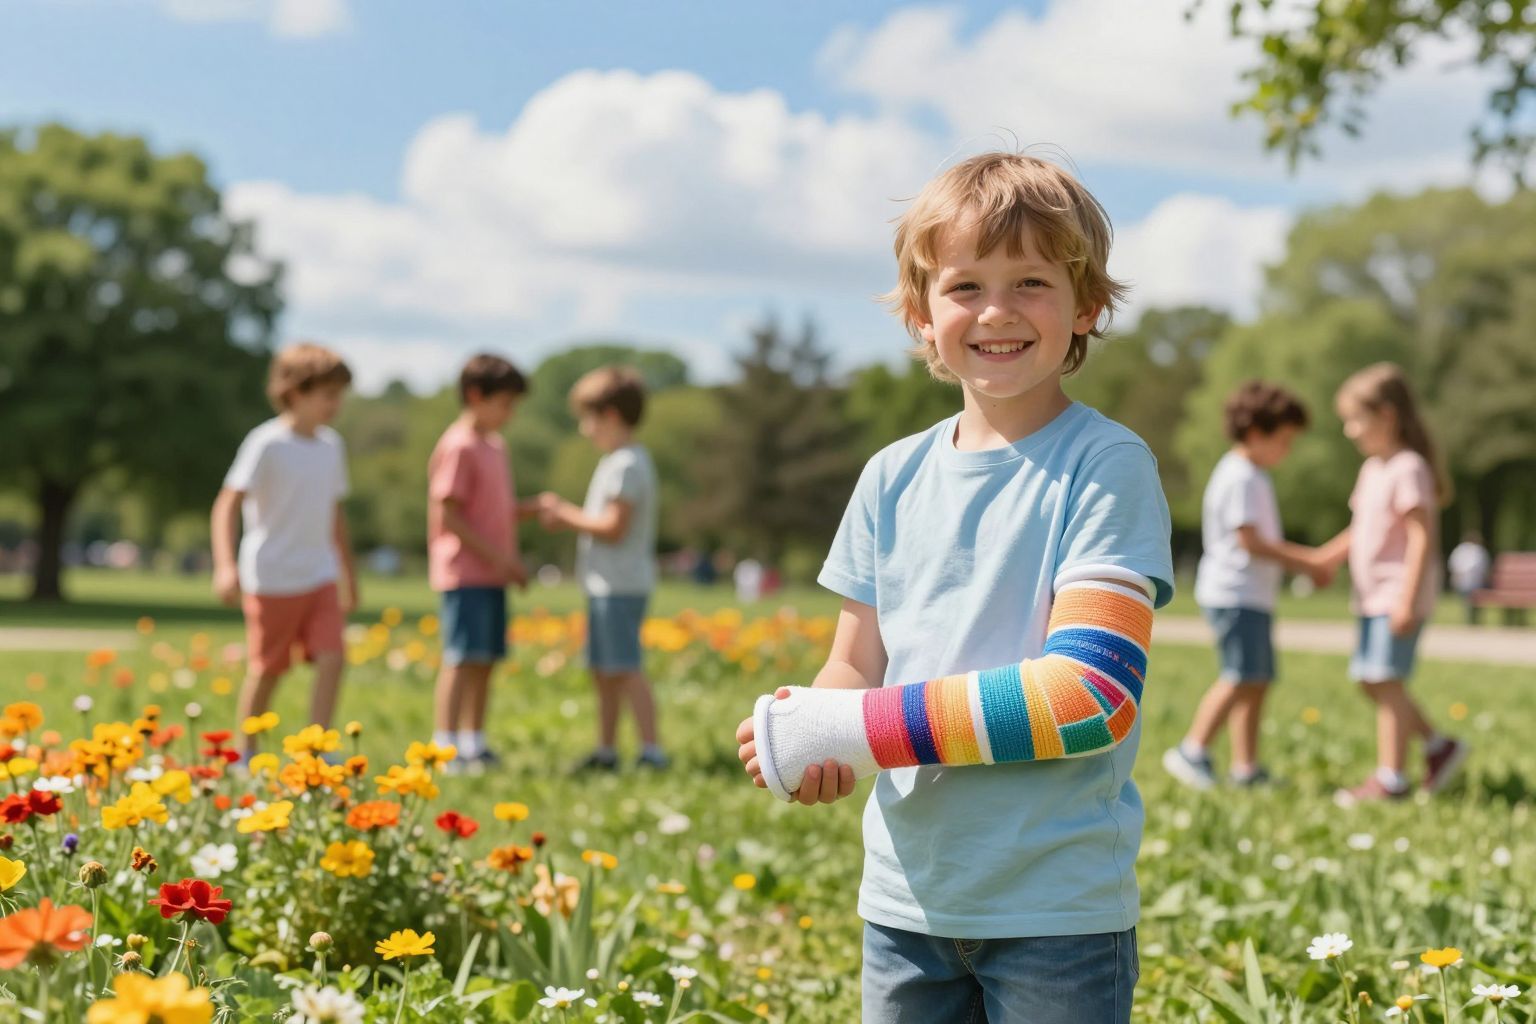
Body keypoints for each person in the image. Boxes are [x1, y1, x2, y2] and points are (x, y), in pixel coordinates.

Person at [735, 152, 1173, 1023]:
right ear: (920, 314)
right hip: (905, 900)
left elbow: (1087, 697)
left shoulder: (1106, 464)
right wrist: (816, 734)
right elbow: (854, 667)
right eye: (965, 285)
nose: (997, 311)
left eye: (1033, 282)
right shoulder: (889, 477)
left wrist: (859, 729)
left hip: (1056, 909)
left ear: (1086, 305)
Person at [1313, 363, 1468, 804]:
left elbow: (1422, 537)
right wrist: (1323, 560)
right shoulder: (1373, 469)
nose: (1348, 430)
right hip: (1371, 597)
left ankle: (1392, 779)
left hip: (1395, 595)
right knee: (1372, 680)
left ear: (1386, 416)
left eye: (1354, 419)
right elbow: (1361, 529)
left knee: (1385, 679)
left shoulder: (1408, 468)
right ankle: (1439, 747)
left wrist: (1407, 599)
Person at [1163, 380, 1327, 790]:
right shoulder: (1240, 476)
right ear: (1256, 433)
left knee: (1256, 680)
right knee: (1239, 675)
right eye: (1284, 440)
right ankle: (1192, 750)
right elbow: (1249, 541)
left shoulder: (1252, 474)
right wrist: (1307, 561)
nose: (1287, 451)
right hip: (1234, 593)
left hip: (1251, 595)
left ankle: (1246, 768)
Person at [211, 343, 358, 758]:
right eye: (327, 394)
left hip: (319, 574)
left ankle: (317, 748)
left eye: (339, 395)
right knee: (269, 668)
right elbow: (227, 504)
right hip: (272, 576)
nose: (336, 404)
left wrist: (350, 575)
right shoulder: (266, 443)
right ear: (294, 392)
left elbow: (335, 515)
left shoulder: (332, 447)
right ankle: (246, 753)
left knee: (333, 658)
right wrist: (225, 566)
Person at [539, 366, 666, 771]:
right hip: (606, 585)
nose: (584, 429)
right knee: (603, 671)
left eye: (588, 419)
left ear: (610, 415)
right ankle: (606, 750)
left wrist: (564, 514)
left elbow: (613, 527)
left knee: (625, 668)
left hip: (619, 586)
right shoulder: (619, 460)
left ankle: (651, 751)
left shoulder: (627, 464)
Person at [427, 354, 533, 775]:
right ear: (476, 396)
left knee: (485, 658)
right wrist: (501, 558)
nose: (510, 414)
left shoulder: (494, 446)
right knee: (461, 656)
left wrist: (531, 509)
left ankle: (475, 741)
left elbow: (495, 510)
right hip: (464, 573)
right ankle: (445, 743)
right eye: (504, 403)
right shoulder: (459, 445)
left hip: (492, 573)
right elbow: (449, 514)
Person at [1448, 530, 1491, 624]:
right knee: (1471, 599)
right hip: (1473, 583)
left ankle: (1471, 616)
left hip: (1469, 583)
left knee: (1470, 599)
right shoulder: (1478, 551)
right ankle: (1472, 616)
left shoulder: (1461, 550)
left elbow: (1455, 566)